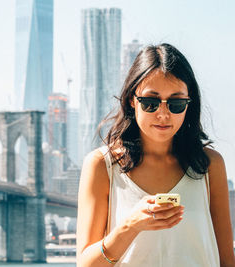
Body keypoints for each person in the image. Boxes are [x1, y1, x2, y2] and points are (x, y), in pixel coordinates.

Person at [76, 43, 235, 266]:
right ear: (132, 100)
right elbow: (85, 264)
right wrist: (130, 225)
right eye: (150, 102)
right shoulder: (102, 165)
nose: (163, 113)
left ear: (189, 104)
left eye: (176, 103)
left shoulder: (209, 164)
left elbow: (227, 260)